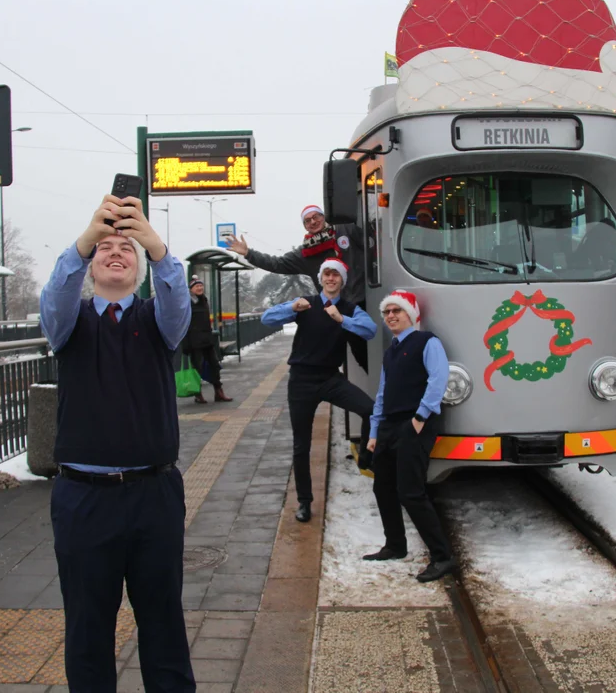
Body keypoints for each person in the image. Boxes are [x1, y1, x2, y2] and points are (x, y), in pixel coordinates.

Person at [39, 193, 195, 692]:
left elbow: (177, 300)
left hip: (154, 497)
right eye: (105, 246)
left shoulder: (157, 321)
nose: (115, 252)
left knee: (163, 624)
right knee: (87, 629)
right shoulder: (70, 324)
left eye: (126, 247)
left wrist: (158, 247)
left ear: (140, 264)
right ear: (90, 262)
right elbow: (55, 296)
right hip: (83, 499)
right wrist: (85, 239)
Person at [260, 258, 376, 522]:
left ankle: (366, 460)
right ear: (321, 278)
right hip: (301, 381)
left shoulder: (349, 309)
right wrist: (291, 306)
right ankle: (304, 502)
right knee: (302, 445)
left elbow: (370, 331)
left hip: (330, 379)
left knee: (370, 409)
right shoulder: (305, 303)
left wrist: (342, 319)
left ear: (342, 281)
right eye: (327, 274)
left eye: (336, 275)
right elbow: (267, 319)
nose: (331, 278)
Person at [363, 289, 457, 584]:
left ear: (411, 315)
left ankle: (443, 557)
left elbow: (439, 378)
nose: (391, 316)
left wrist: (420, 417)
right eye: (387, 312)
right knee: (383, 488)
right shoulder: (391, 351)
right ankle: (395, 545)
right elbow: (382, 394)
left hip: (414, 424)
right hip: (390, 426)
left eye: (397, 311)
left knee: (411, 492)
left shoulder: (426, 342)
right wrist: (375, 431)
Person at [227, 204, 369, 370]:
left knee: (372, 349)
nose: (313, 222)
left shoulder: (345, 230)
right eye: (307, 220)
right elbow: (276, 263)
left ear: (324, 217)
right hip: (335, 308)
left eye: (316, 217)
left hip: (365, 299)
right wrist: (248, 253)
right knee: (342, 354)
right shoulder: (305, 254)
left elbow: (373, 244)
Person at [184, 277, 232, 404]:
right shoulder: (187, 302)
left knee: (214, 365)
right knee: (197, 367)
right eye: (196, 286)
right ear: (191, 289)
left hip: (206, 339)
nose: (200, 288)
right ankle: (197, 393)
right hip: (194, 341)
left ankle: (218, 392)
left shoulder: (204, 300)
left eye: (201, 286)